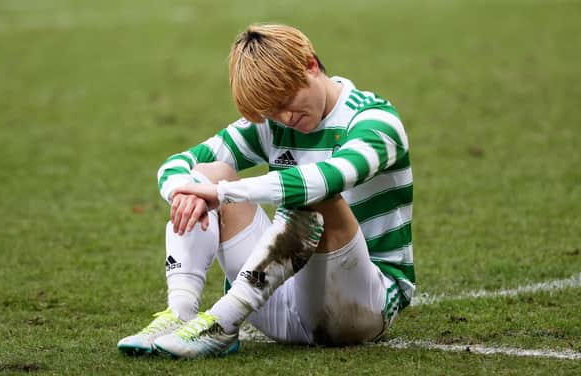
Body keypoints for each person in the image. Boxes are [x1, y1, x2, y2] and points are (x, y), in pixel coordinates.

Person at [117, 23, 415, 358]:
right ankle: (181, 312)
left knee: (311, 194)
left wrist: (227, 192)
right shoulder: (274, 123)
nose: (284, 118)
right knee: (204, 174)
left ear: (310, 65)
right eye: (272, 110)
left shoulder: (374, 120)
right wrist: (184, 191)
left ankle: (221, 321)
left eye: (287, 100)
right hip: (278, 301)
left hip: (358, 306)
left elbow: (326, 179)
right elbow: (179, 163)